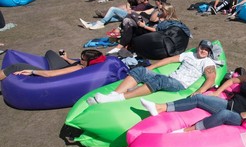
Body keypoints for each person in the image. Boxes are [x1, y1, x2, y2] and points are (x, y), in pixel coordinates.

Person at [140, 58, 246, 132]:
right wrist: (217, 92)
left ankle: (189, 130)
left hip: (239, 116)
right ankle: (160, 107)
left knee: (224, 114)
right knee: (198, 97)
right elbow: (233, 80)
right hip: (229, 104)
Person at [87, 39, 216, 104]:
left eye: (206, 50)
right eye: (202, 47)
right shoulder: (189, 54)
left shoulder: (208, 62)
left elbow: (211, 79)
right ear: (198, 47)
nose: (203, 50)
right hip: (169, 78)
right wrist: (151, 67)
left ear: (209, 52)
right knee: (140, 70)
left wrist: (199, 91)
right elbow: (170, 60)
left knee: (160, 80)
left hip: (180, 85)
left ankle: (119, 98)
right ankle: (113, 94)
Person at [0, 49, 106, 81]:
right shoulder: (83, 66)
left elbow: (50, 75)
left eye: (82, 59)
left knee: (17, 66)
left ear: (89, 62)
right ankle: (62, 58)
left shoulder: (78, 68)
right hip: (62, 67)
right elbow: (76, 63)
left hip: (53, 74)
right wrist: (66, 59)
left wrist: (32, 71)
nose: (80, 59)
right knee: (50, 53)